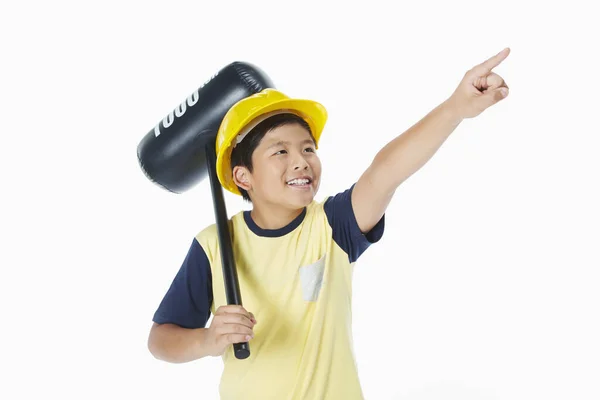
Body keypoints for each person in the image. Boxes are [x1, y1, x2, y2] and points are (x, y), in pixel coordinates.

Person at [147, 48, 511, 399]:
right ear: (243, 177)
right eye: (280, 151)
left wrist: (454, 109)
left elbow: (385, 173)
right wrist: (208, 340)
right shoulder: (214, 245)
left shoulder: (333, 225)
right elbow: (161, 338)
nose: (302, 162)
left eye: (308, 148)